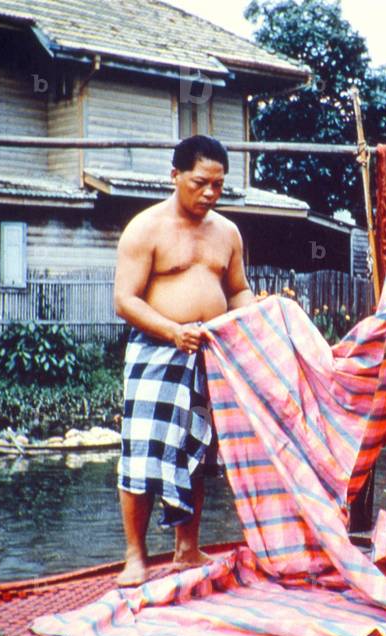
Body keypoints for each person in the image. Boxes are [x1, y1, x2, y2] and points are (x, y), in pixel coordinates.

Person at [113, 135, 255, 586]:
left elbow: (238, 289)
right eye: (200, 183)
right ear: (175, 175)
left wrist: (255, 318)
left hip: (211, 354)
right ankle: (135, 555)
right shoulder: (145, 228)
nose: (210, 193)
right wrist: (173, 331)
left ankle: (186, 549)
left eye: (218, 185)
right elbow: (125, 300)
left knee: (196, 450)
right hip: (156, 350)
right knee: (142, 449)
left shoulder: (227, 232)